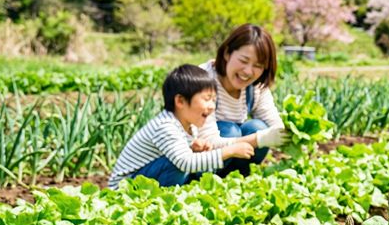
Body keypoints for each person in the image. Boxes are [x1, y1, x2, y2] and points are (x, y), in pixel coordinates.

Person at [108, 65, 255, 189]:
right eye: (206, 99)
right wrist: (228, 151)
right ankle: (161, 200)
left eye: (214, 100)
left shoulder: (189, 125)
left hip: (145, 178)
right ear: (180, 101)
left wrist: (193, 148)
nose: (212, 106)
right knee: (179, 165)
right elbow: (185, 162)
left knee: (192, 160)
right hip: (123, 188)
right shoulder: (165, 126)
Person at [197, 24, 287, 176]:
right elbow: (209, 141)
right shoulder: (202, 79)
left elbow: (275, 124)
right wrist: (261, 139)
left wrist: (291, 137)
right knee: (231, 131)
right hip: (201, 159)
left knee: (257, 126)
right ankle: (209, 180)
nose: (248, 71)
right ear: (227, 53)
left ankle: (239, 177)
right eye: (244, 61)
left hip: (233, 155)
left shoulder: (255, 87)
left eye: (258, 65)